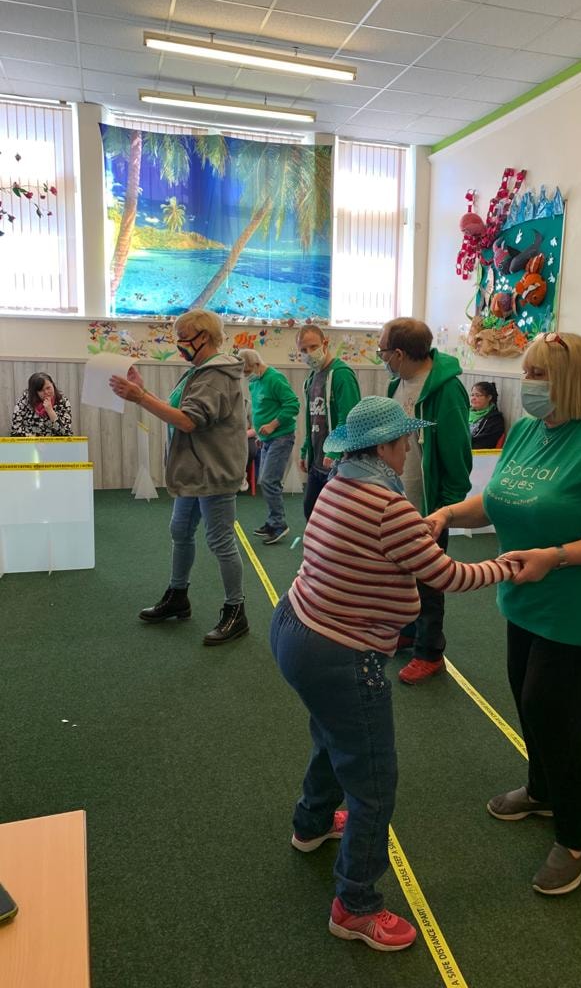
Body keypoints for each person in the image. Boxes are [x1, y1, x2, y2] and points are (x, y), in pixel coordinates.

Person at [270, 397, 517, 951]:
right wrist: (507, 566)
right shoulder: (388, 505)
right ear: (384, 446)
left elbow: (382, 549)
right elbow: (447, 577)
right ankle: (355, 906)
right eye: (405, 440)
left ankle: (311, 823)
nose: (409, 449)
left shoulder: (339, 483)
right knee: (374, 783)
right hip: (339, 653)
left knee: (331, 736)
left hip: (295, 627)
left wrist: (420, 529)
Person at [427, 332, 581, 896]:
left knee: (557, 714)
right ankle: (542, 791)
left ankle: (578, 840)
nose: (525, 384)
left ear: (570, 381)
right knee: (528, 698)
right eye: (527, 372)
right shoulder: (530, 429)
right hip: (525, 592)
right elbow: (499, 498)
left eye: (536, 374)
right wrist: (450, 512)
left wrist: (557, 556)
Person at [109, 309, 249, 646]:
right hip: (194, 470)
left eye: (184, 338)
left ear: (204, 337)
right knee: (180, 531)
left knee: (220, 540)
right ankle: (178, 595)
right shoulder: (197, 372)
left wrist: (141, 397)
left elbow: (188, 421)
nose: (179, 344)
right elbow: (178, 411)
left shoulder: (216, 375)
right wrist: (143, 391)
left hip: (213, 471)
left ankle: (236, 611)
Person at [379, 318, 472, 685]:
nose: (382, 358)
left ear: (400, 354)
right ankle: (408, 631)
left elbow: (457, 455)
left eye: (384, 351)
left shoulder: (445, 390)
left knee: (428, 581)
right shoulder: (397, 383)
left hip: (430, 506)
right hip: (399, 499)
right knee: (400, 573)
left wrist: (445, 511)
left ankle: (430, 652)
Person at [297, 324, 360, 519]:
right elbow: (312, 420)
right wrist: (305, 450)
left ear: (325, 344)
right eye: (303, 350)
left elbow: (349, 417)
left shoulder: (341, 374)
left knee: (335, 520)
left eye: (313, 347)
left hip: (337, 463)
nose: (309, 353)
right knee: (311, 513)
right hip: (317, 462)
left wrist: (334, 450)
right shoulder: (311, 379)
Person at [240, 349, 300, 545]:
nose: (246, 375)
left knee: (269, 480)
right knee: (266, 480)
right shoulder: (254, 382)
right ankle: (273, 521)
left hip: (281, 437)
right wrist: (260, 434)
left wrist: (273, 425)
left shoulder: (275, 378)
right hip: (267, 439)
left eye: (247, 371)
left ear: (257, 365)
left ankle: (279, 525)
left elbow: (293, 405)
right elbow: (260, 410)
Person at [10, 372, 73, 437]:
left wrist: (50, 411)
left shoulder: (62, 402)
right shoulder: (24, 401)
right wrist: (35, 439)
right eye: (41, 390)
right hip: (30, 442)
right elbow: (15, 431)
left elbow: (66, 434)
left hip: (55, 442)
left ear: (53, 385)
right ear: (34, 392)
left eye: (48, 388)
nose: (46, 392)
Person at [469, 381, 505, 449]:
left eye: (478, 395)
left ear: (489, 397)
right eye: (472, 395)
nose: (473, 398)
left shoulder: (495, 419)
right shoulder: (465, 413)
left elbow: (484, 443)